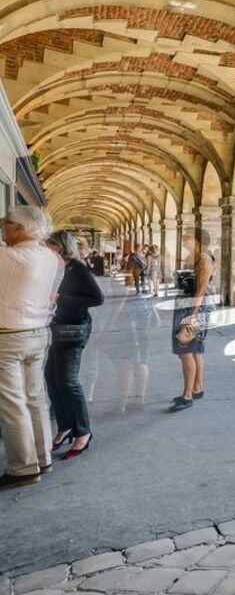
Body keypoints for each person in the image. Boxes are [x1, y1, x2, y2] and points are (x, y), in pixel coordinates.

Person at [0, 207, 63, 488]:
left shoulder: (8, 257)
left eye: (6, 224)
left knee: (13, 404)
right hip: (38, 333)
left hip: (9, 335)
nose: (3, 228)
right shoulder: (52, 258)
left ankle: (23, 468)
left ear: (21, 229)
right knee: (35, 397)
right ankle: (42, 456)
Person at [44, 231, 103, 459]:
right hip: (55, 328)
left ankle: (83, 432)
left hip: (73, 329)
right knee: (53, 380)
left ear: (58, 247)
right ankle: (65, 426)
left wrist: (61, 299)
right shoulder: (54, 268)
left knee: (68, 381)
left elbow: (97, 299)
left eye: (48, 245)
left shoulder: (77, 269)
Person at [170, 229, 216, 412]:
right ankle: (197, 388)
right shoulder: (197, 258)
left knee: (186, 351)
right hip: (191, 307)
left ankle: (187, 395)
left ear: (198, 241)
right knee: (195, 351)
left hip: (195, 309)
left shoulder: (204, 260)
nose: (183, 240)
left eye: (187, 238)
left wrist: (190, 316)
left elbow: (201, 290)